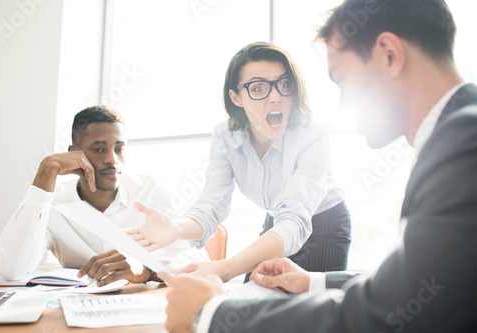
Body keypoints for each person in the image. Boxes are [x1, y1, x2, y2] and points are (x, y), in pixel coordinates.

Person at [159, 0, 477, 332]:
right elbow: (420, 282)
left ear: (389, 55)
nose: (342, 104)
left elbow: (384, 317)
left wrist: (210, 314)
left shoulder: (462, 145)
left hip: (324, 221)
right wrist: (315, 282)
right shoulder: (457, 135)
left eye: (340, 79)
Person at [128, 42, 352, 282]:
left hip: (325, 223)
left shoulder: (313, 136)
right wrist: (175, 229)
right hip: (278, 220)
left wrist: (225, 269)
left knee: (310, 309)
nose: (276, 96)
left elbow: (295, 219)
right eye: (258, 88)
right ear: (236, 97)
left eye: (284, 84)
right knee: (250, 297)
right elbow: (211, 206)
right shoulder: (225, 138)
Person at [0, 106, 208, 286]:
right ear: (73, 153)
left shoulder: (151, 193)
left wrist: (146, 269)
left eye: (119, 149)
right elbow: (10, 270)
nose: (112, 159)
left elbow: (198, 260)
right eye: (98, 149)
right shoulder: (54, 206)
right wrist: (46, 171)